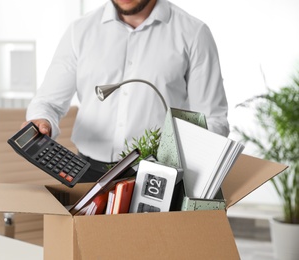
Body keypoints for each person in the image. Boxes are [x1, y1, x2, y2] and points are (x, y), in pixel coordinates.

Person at [24, 0, 229, 182]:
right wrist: (42, 120)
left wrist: (189, 166)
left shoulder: (193, 33)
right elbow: (47, 102)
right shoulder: (80, 31)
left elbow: (213, 119)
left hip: (157, 177)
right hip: (86, 173)